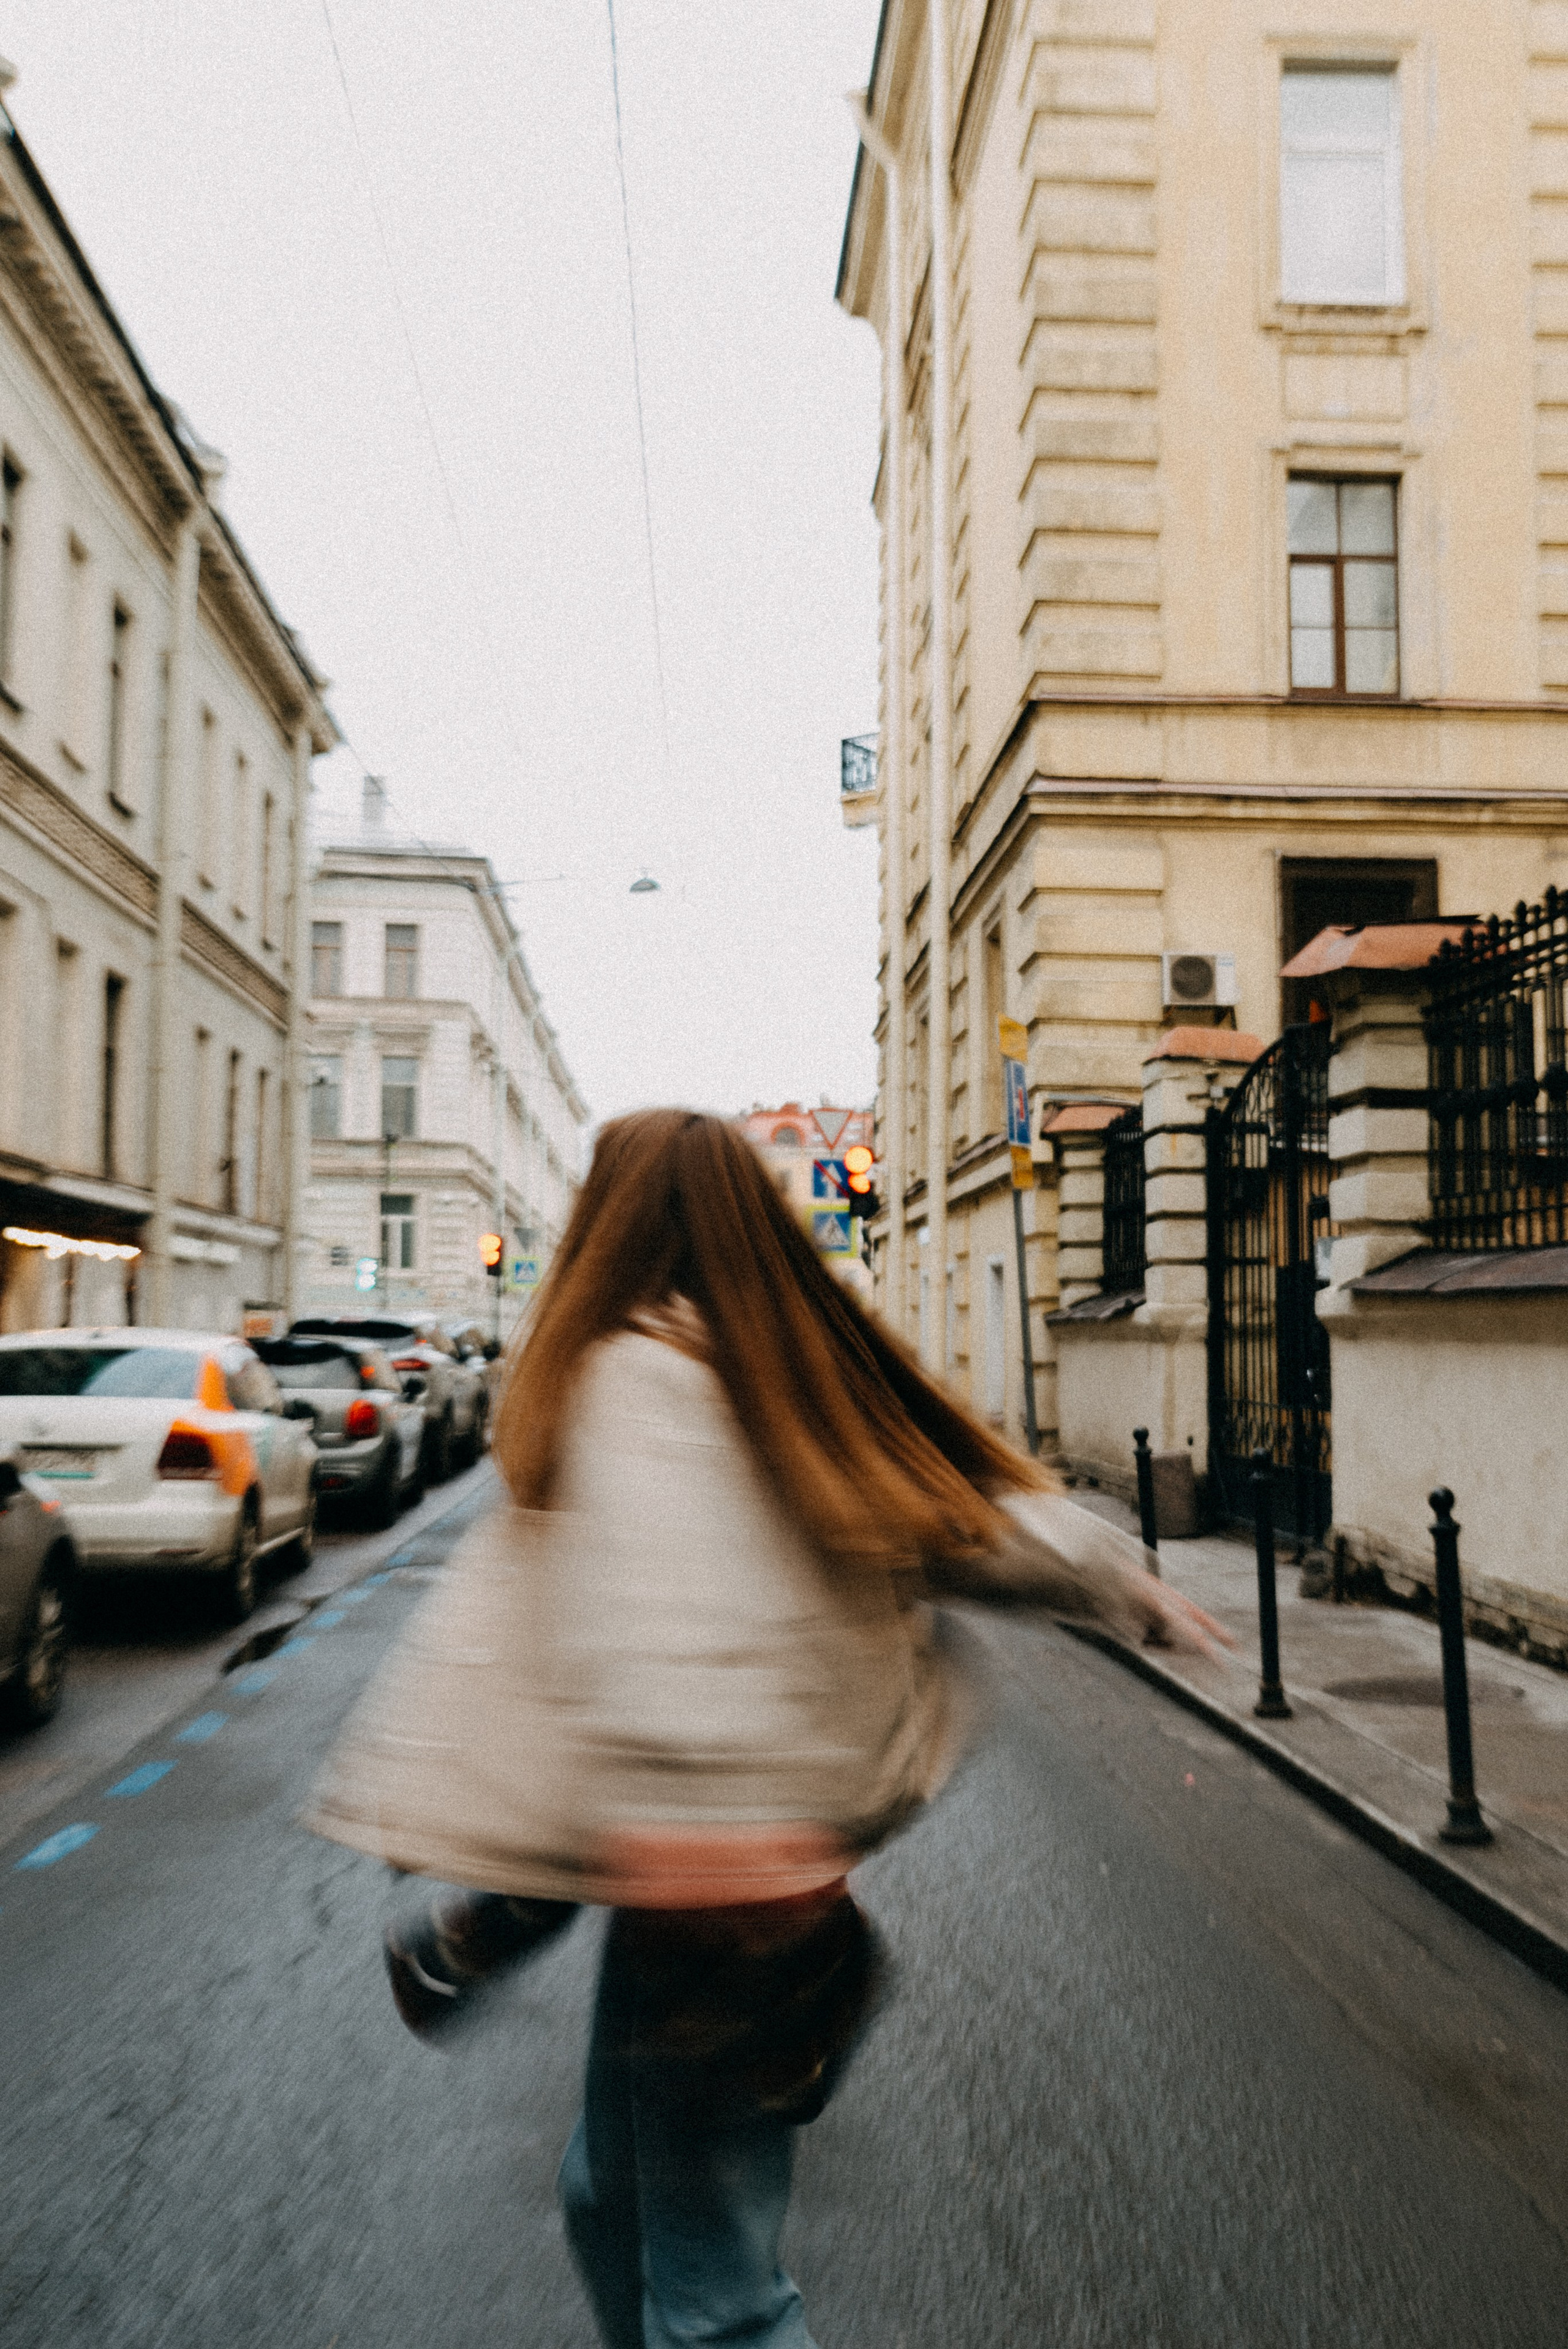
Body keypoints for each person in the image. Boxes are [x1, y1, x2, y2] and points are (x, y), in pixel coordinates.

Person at [306, 1108, 1223, 2349]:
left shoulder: (628, 1370)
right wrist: (1120, 1584)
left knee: (717, 2299)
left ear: (608, 1222)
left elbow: (682, 1623)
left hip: (707, 1872)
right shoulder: (784, 1371)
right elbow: (960, 1519)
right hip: (728, 1874)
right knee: (613, 2198)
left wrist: (699, 1819)